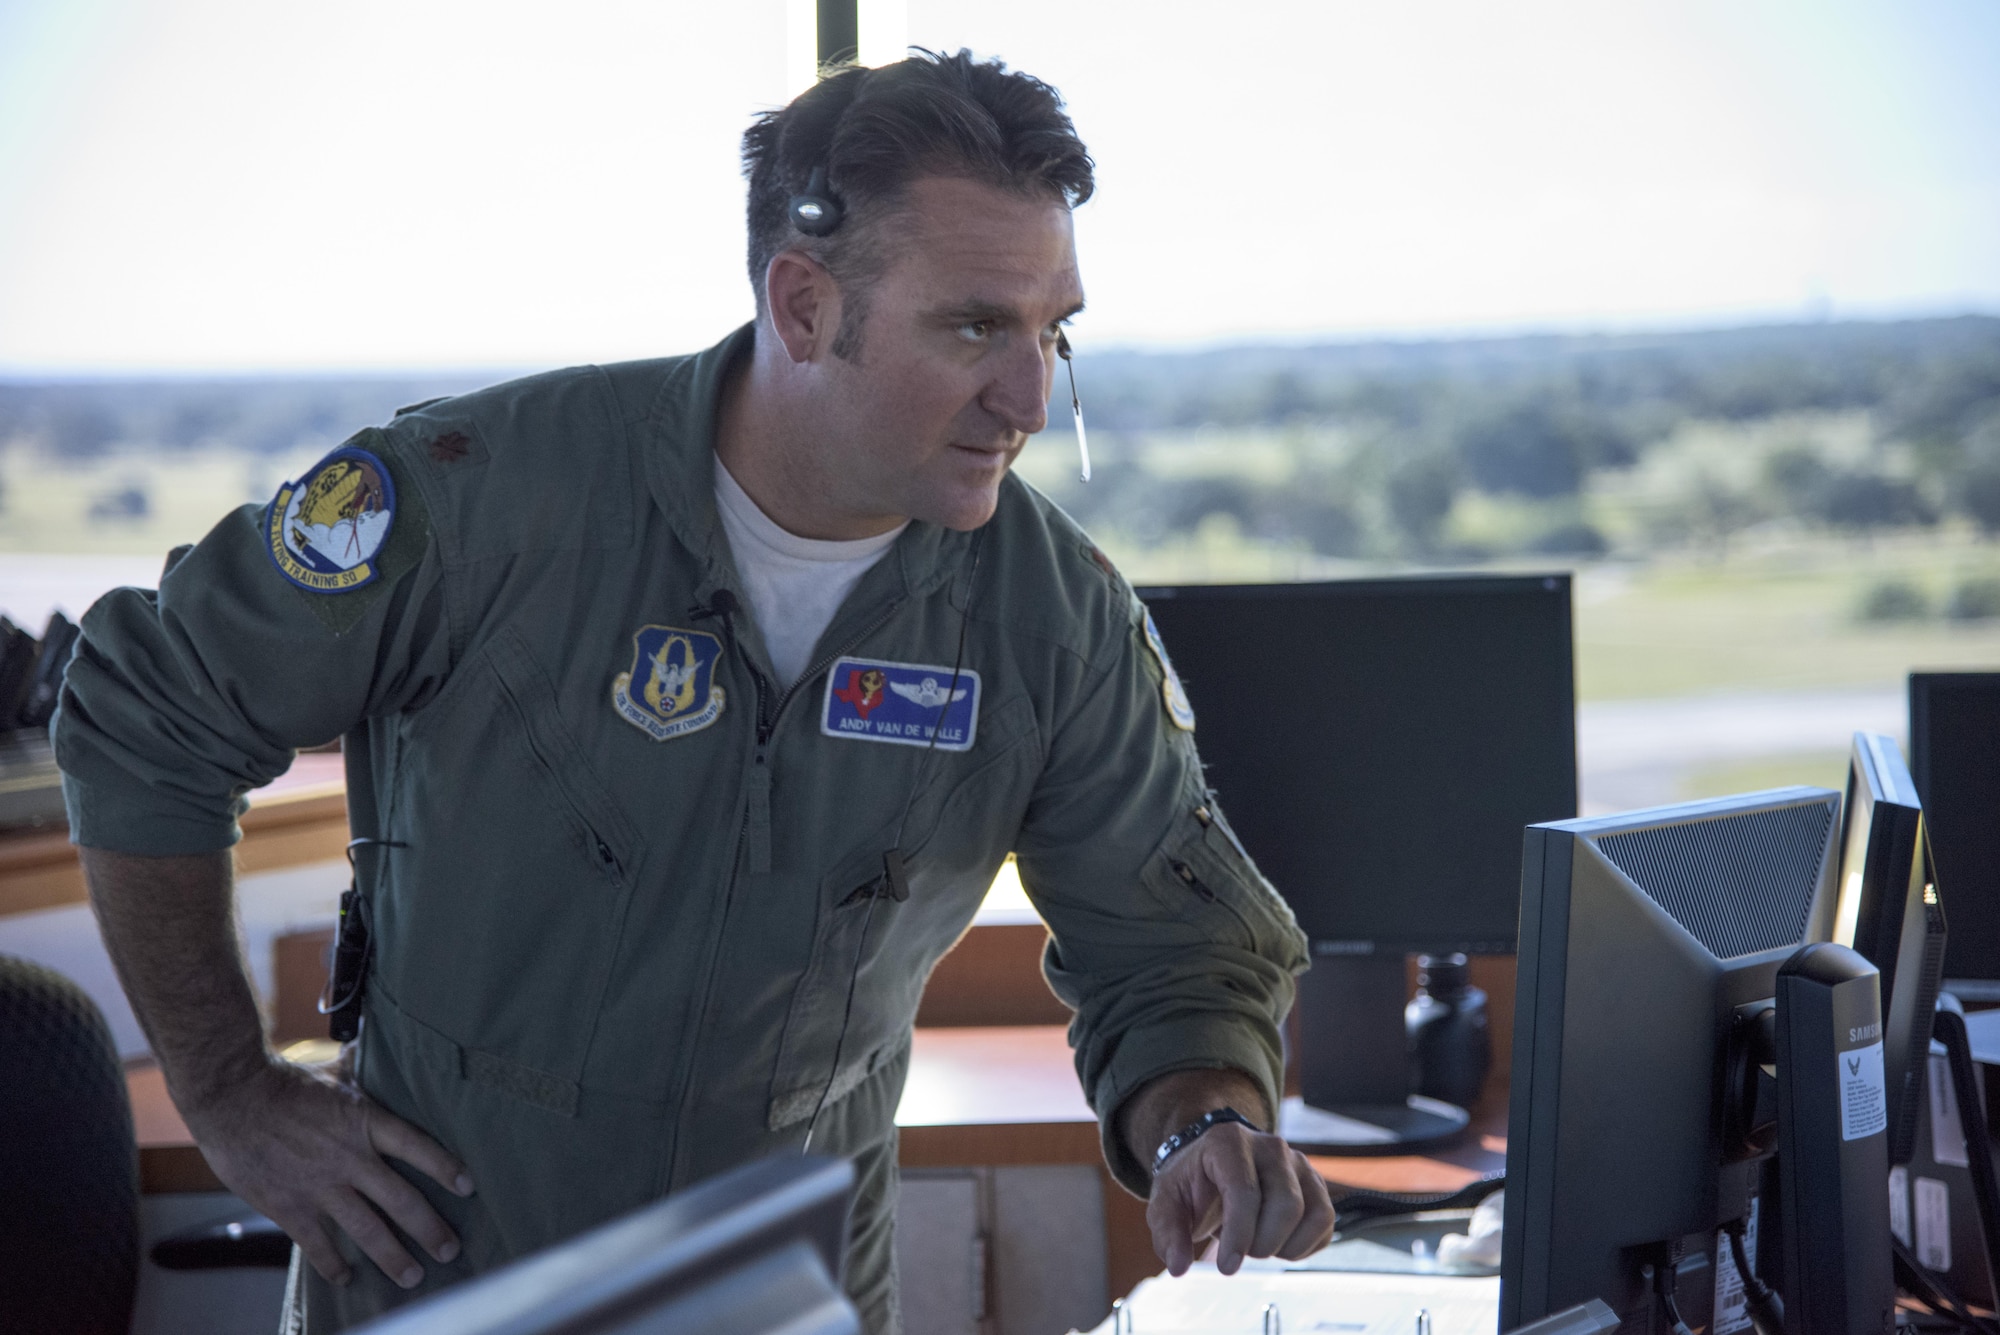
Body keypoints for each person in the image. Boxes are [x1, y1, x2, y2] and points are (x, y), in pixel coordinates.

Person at [55, 49, 1331, 1334]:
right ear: (803, 304)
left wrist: (1203, 1124)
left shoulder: (1049, 620)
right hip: (439, 1274)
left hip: (788, 1296)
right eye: (974, 327)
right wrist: (226, 1092)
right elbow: (142, 711)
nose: (1030, 397)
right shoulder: (477, 501)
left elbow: (1173, 954)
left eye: (1054, 330)